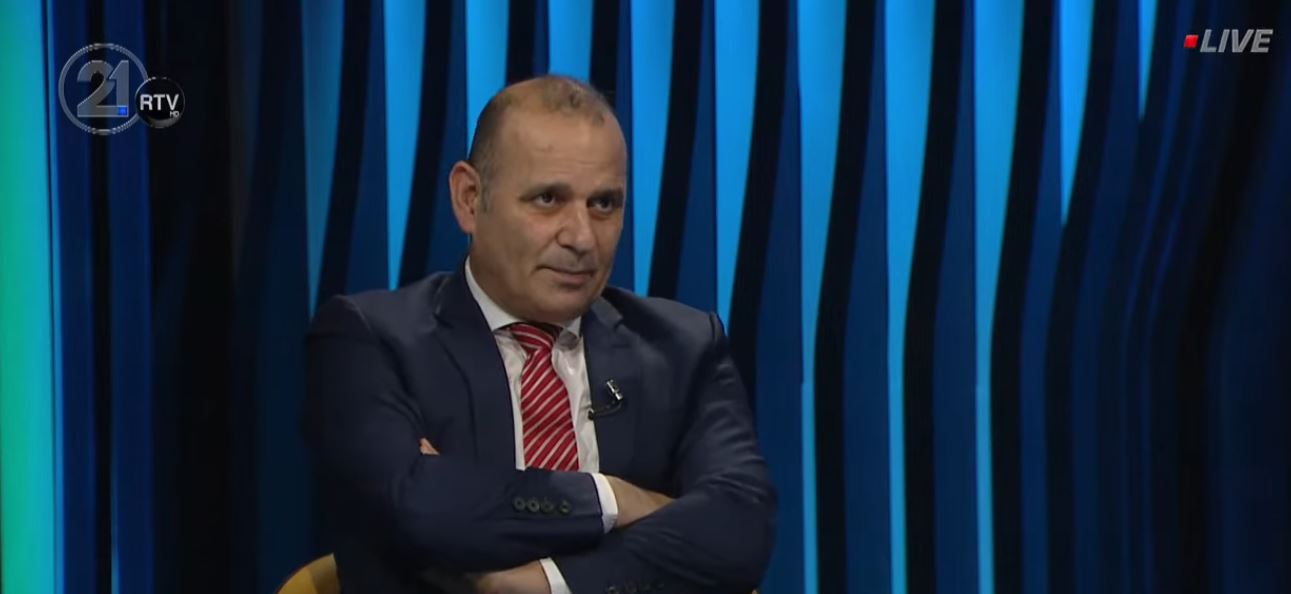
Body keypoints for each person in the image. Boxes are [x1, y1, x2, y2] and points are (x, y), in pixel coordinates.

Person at [303, 75, 775, 594]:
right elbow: (418, 509)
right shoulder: (372, 340)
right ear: (469, 198)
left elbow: (741, 527)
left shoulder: (682, 348)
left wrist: (554, 582)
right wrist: (615, 499)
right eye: (548, 199)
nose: (582, 237)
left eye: (604, 204)